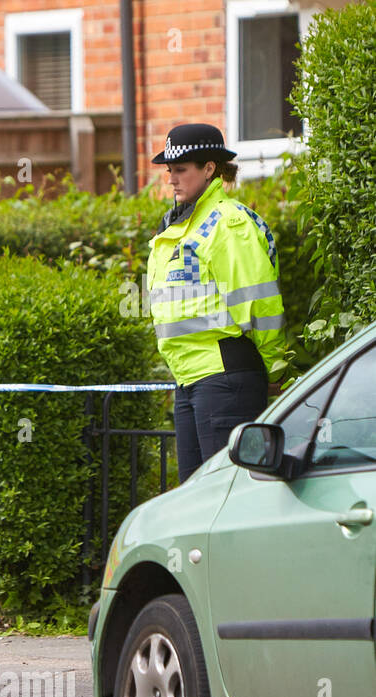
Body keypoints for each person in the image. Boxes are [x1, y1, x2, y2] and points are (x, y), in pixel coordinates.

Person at [147, 123, 287, 481]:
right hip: (191, 379)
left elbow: (258, 304)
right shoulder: (182, 224)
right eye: (169, 171)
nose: (172, 180)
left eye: (181, 170)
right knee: (196, 497)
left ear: (209, 168)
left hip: (225, 378)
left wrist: (276, 371)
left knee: (226, 493)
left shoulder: (228, 223)